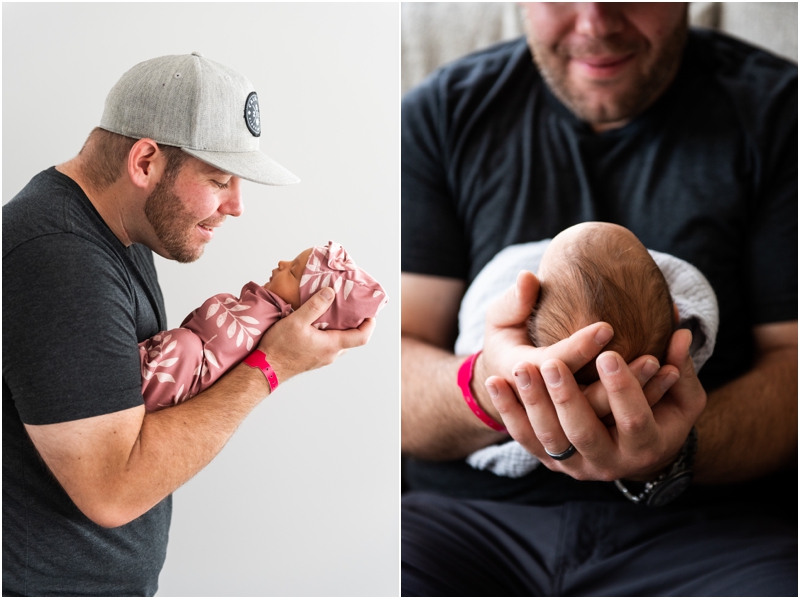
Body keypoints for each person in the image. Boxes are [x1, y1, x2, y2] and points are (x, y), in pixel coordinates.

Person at [401, 3, 797, 596]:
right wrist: (493, 389)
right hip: (463, 526)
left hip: (710, 534)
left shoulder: (779, 115)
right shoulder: (441, 115)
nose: (595, 21)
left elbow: (792, 360)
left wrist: (675, 444)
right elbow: (389, 363)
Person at [3, 53, 374, 596]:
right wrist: (270, 366)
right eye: (220, 179)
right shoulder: (60, 259)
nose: (237, 206)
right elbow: (111, 489)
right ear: (146, 161)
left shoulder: (119, 228)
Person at [457, 221, 719, 478]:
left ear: (527, 325)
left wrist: (492, 384)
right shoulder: (676, 348)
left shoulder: (504, 282)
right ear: (677, 314)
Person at [141, 240, 387, 411]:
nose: (282, 263)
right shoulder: (262, 306)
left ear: (307, 309)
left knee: (185, 349)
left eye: (292, 272)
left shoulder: (273, 324)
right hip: (177, 356)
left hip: (187, 366)